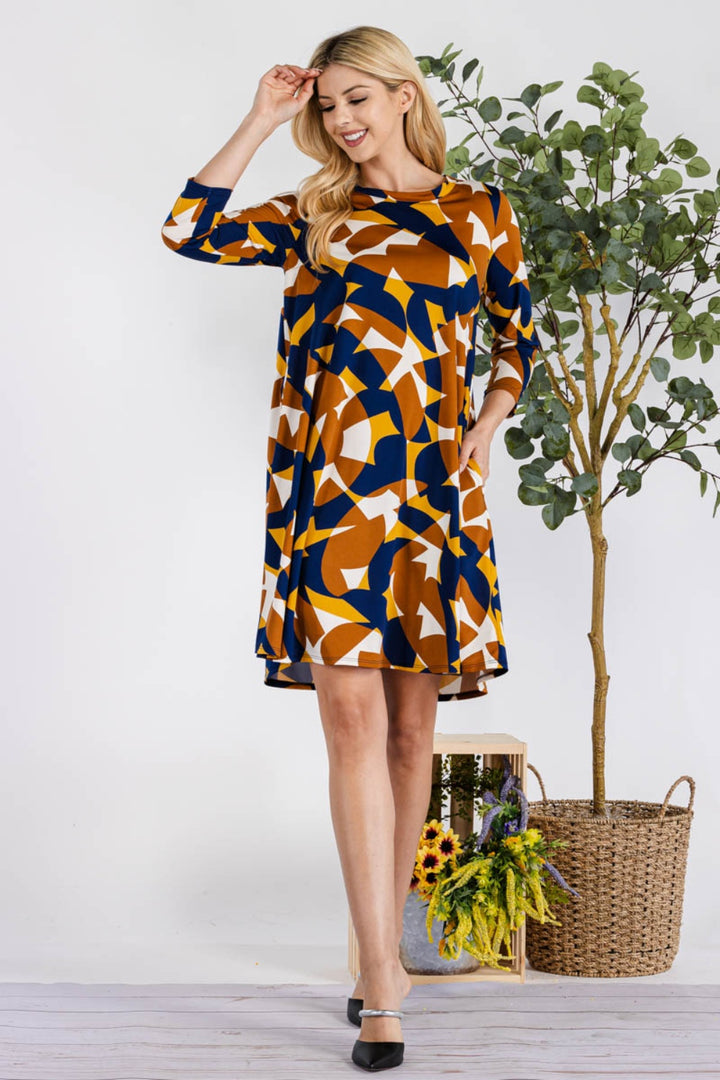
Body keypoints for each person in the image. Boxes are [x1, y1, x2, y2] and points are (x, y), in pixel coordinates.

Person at [161, 24, 540, 1072]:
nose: (344, 121)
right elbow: (187, 230)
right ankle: (382, 980)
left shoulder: (481, 214)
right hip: (333, 497)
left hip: (432, 499)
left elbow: (517, 337)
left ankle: (385, 958)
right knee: (347, 721)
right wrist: (261, 116)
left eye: (357, 98)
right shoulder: (316, 213)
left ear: (406, 94)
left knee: (413, 739)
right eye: (329, 106)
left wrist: (488, 424)